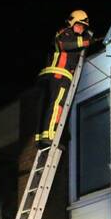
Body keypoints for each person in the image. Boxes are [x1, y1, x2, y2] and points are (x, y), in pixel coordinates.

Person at [34, 10, 94, 148]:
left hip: (51, 76)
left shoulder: (71, 36)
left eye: (83, 27)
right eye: (79, 25)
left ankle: (42, 137)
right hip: (59, 74)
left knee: (45, 107)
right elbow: (65, 44)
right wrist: (86, 42)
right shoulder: (66, 33)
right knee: (58, 103)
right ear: (72, 22)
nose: (81, 29)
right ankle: (50, 135)